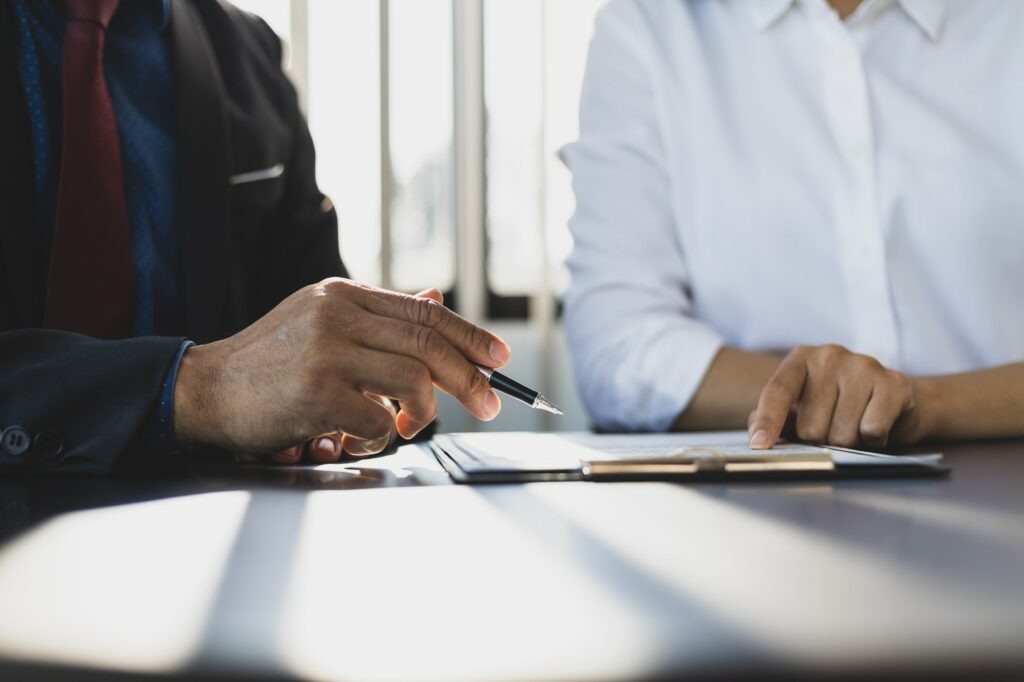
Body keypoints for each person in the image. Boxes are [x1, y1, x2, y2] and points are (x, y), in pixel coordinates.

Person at [0, 0, 507, 473]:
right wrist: (196, 389)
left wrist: (353, 391)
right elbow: (236, 380)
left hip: (215, 525)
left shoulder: (245, 54)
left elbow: (318, 344)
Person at [564, 0, 1024, 450]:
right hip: (751, 496)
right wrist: (830, 396)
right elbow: (618, 344)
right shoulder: (648, 27)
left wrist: (917, 403)